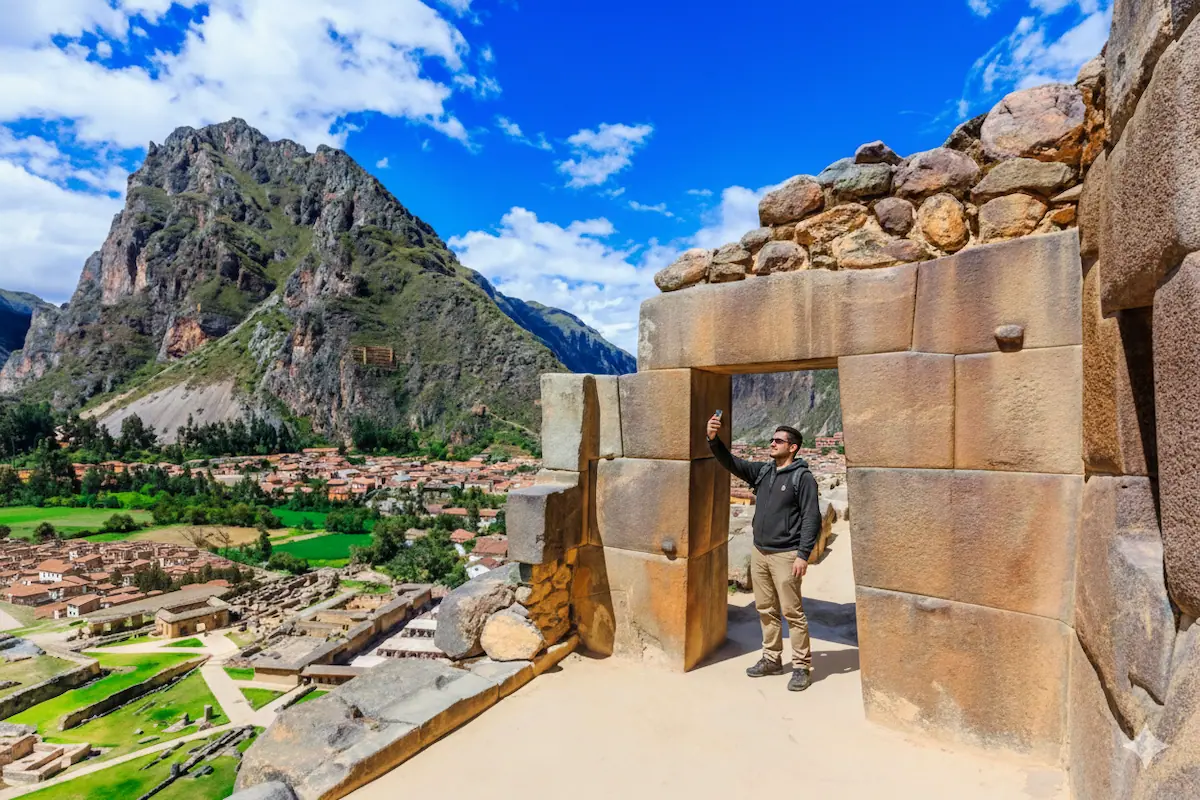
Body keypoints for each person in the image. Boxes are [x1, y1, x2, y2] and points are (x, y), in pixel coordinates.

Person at [706, 414, 821, 692]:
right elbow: (731, 462)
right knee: (766, 609)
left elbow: (811, 517)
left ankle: (801, 666)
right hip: (760, 552)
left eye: (778, 440)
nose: (772, 443)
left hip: (786, 555)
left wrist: (803, 554)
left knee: (792, 612)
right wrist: (712, 439)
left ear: (792, 447)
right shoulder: (763, 472)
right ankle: (771, 658)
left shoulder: (802, 478)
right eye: (772, 439)